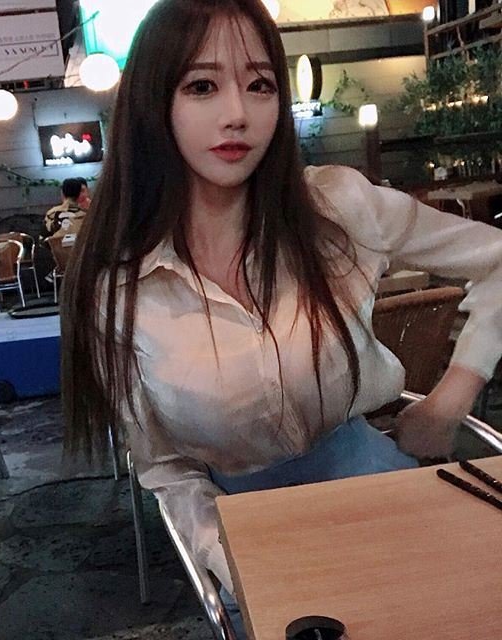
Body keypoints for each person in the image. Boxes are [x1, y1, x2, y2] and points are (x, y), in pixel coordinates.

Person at [61, 0, 502, 633]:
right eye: (202, 86)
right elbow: (165, 468)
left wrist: (449, 401)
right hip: (250, 529)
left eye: (260, 85)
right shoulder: (119, 287)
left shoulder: (337, 208)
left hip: (377, 487)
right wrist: (232, 558)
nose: (237, 113)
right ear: (154, 103)